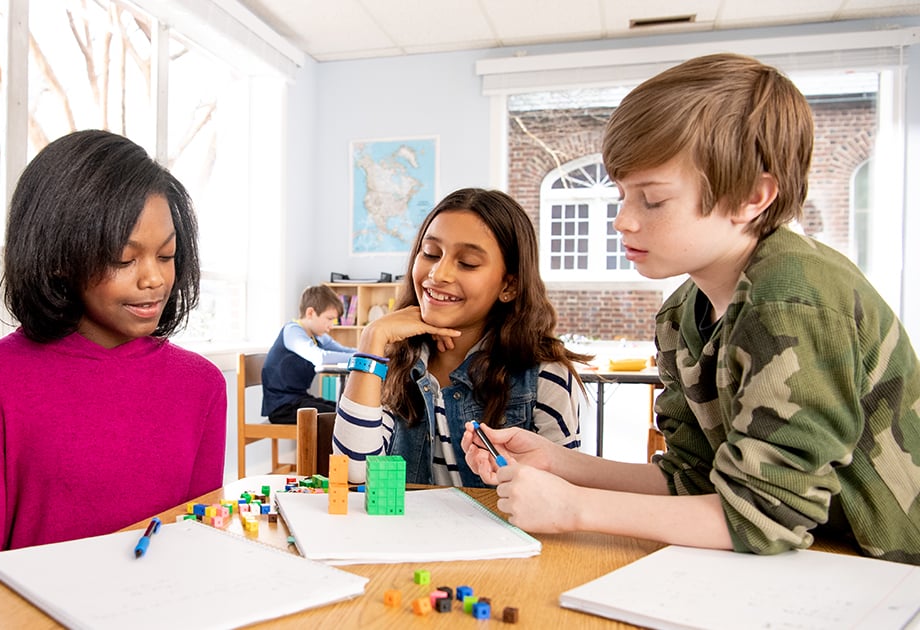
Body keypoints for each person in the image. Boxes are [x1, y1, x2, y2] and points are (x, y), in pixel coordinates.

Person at [465, 54, 920, 564]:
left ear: (751, 197)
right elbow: (691, 479)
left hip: (886, 571)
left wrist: (576, 508)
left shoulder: (795, 297)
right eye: (621, 195)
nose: (622, 221)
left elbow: (766, 515)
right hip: (814, 564)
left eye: (652, 200)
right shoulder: (683, 313)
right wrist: (559, 464)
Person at [0, 130, 227, 600]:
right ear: (58, 260)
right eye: (124, 258)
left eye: (167, 255)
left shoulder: (201, 386)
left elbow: (193, 547)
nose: (154, 278)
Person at [333, 188, 590, 488]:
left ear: (509, 285)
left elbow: (560, 495)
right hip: (407, 534)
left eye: (467, 262)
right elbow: (354, 472)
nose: (438, 274)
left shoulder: (544, 374)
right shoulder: (394, 362)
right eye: (430, 254)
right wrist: (372, 338)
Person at [261, 285, 356, 424]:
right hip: (282, 407)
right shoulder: (292, 332)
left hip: (299, 400)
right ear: (310, 313)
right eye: (329, 318)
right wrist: (362, 359)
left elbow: (343, 350)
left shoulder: (317, 335)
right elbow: (321, 358)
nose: (331, 325)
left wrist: (372, 353)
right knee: (338, 417)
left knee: (344, 410)